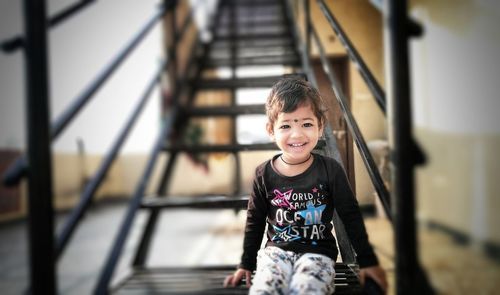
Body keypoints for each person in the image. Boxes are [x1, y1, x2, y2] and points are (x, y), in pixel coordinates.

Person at [223, 77, 387, 294]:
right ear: (271, 130)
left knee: (308, 289)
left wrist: (368, 261)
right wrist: (246, 263)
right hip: (275, 254)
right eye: (286, 125)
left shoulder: (331, 170)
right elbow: (255, 221)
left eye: (306, 124)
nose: (297, 134)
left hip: (318, 254)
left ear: (320, 127)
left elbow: (350, 215)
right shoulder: (264, 174)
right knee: (264, 290)